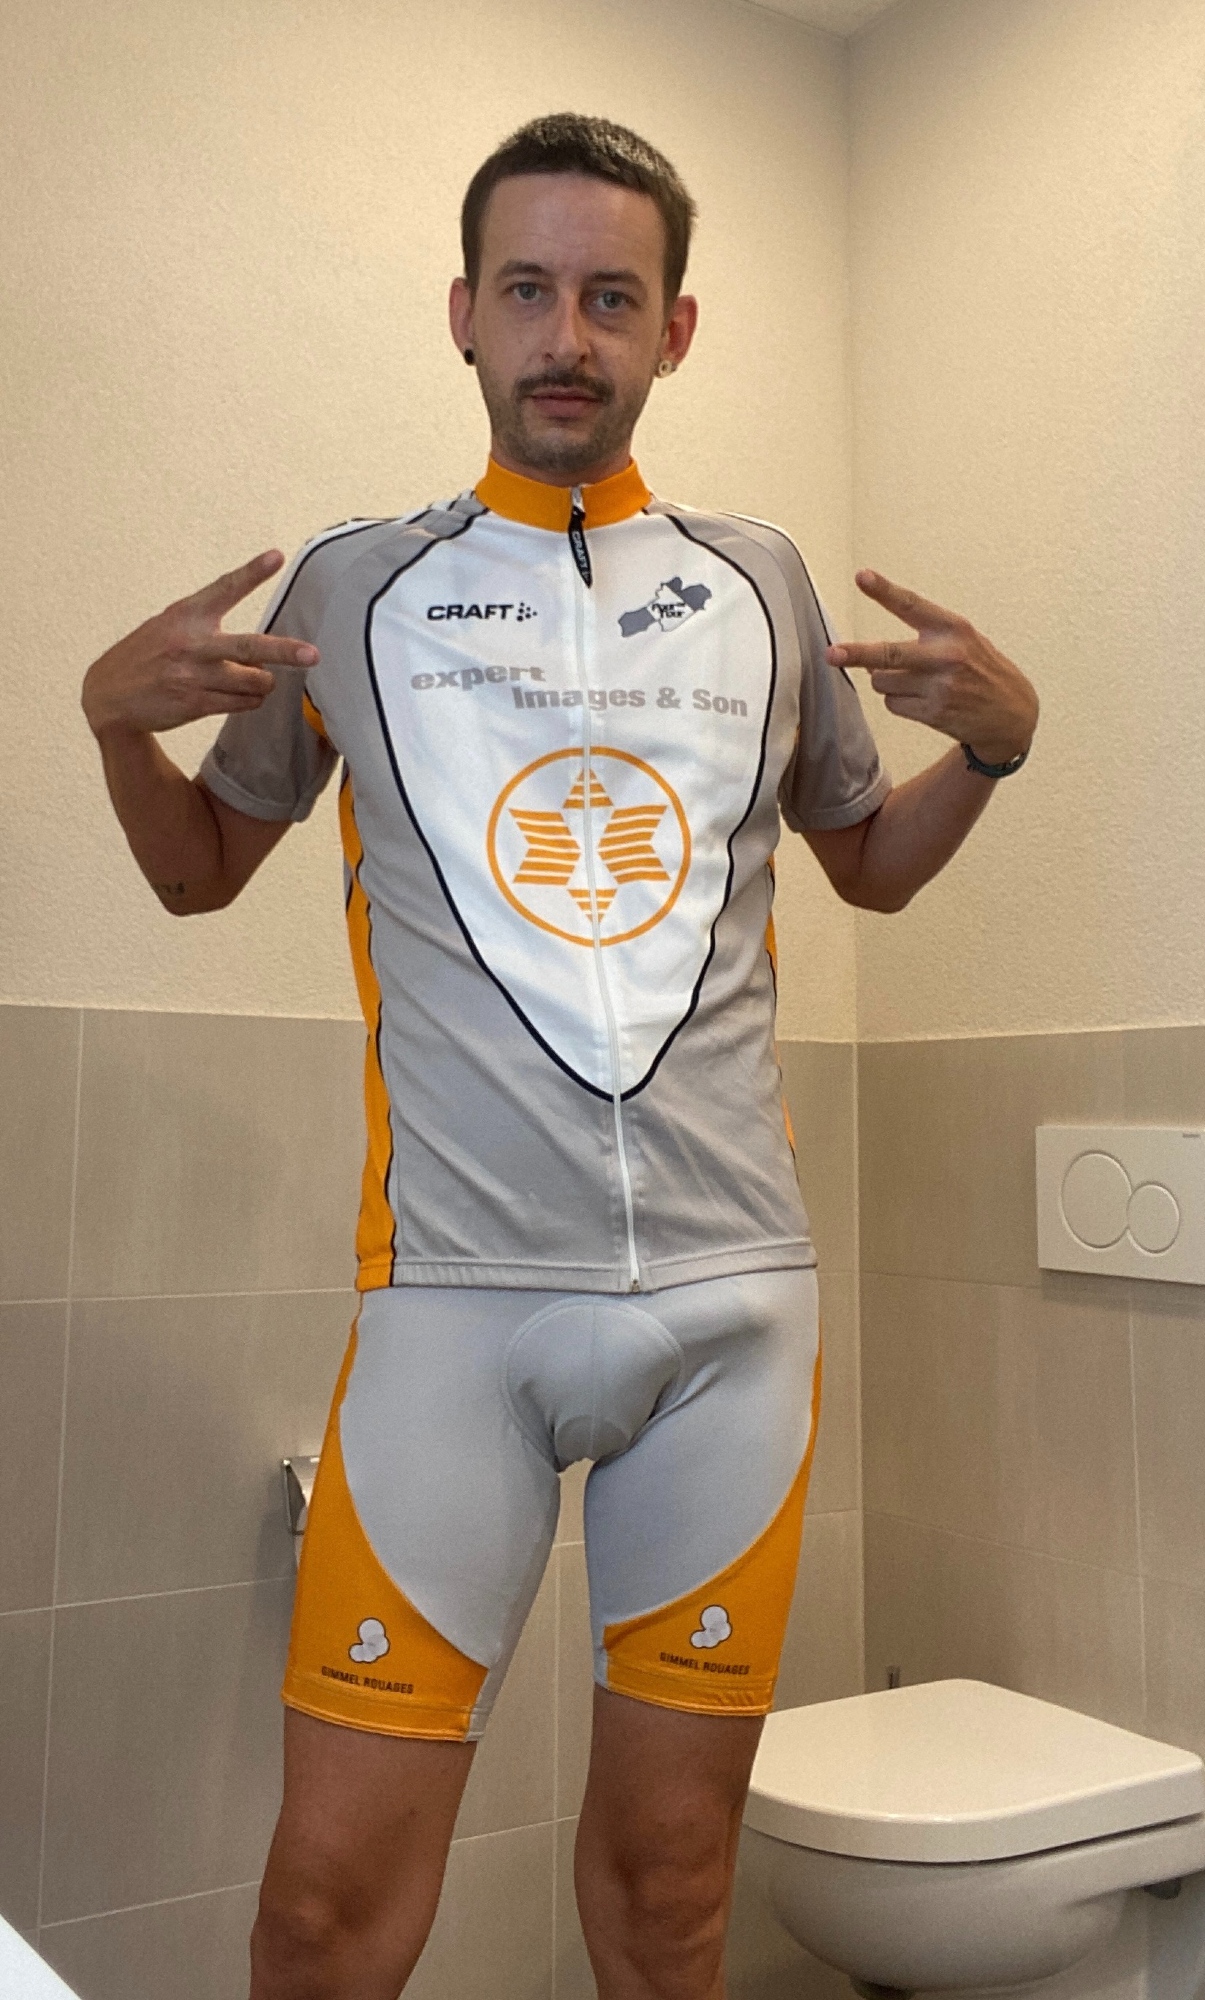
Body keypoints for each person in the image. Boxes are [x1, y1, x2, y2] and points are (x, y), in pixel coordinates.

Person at [81, 113, 1037, 2000]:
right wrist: (114, 727)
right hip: (454, 1309)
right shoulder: (353, 586)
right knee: (321, 1917)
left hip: (732, 1318)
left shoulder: (759, 584)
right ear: (463, 312)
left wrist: (996, 751)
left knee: (674, 1894)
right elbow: (197, 874)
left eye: (610, 297)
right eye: (527, 290)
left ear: (674, 328)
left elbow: (866, 867)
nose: (565, 336)